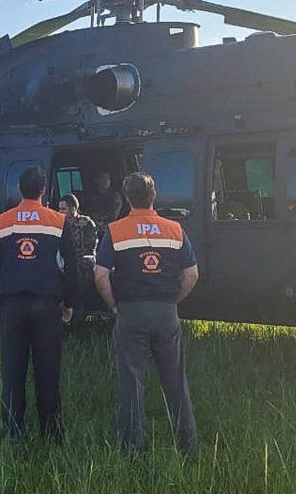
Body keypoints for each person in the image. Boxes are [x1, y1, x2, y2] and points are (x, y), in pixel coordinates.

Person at [94, 171, 199, 455]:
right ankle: (187, 445)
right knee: (176, 380)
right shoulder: (175, 229)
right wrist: (173, 300)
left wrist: (114, 304)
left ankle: (131, 447)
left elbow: (101, 275)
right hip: (166, 312)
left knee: (132, 380)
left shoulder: (115, 231)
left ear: (128, 198)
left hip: (130, 311)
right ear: (154, 197)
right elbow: (192, 274)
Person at [0, 166, 79, 440]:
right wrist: (70, 302)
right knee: (48, 371)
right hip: (47, 305)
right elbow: (73, 264)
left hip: (13, 305)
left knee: (13, 372)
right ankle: (52, 433)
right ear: (43, 190)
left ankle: (13, 432)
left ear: (20, 189)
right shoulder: (58, 221)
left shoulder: (1, 222)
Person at [58, 193, 98, 324]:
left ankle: (78, 314)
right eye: (59, 209)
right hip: (62, 261)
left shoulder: (86, 223)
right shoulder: (58, 223)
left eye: (63, 209)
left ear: (73, 208)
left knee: (80, 271)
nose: (60, 212)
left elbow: (89, 247)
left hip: (82, 261)